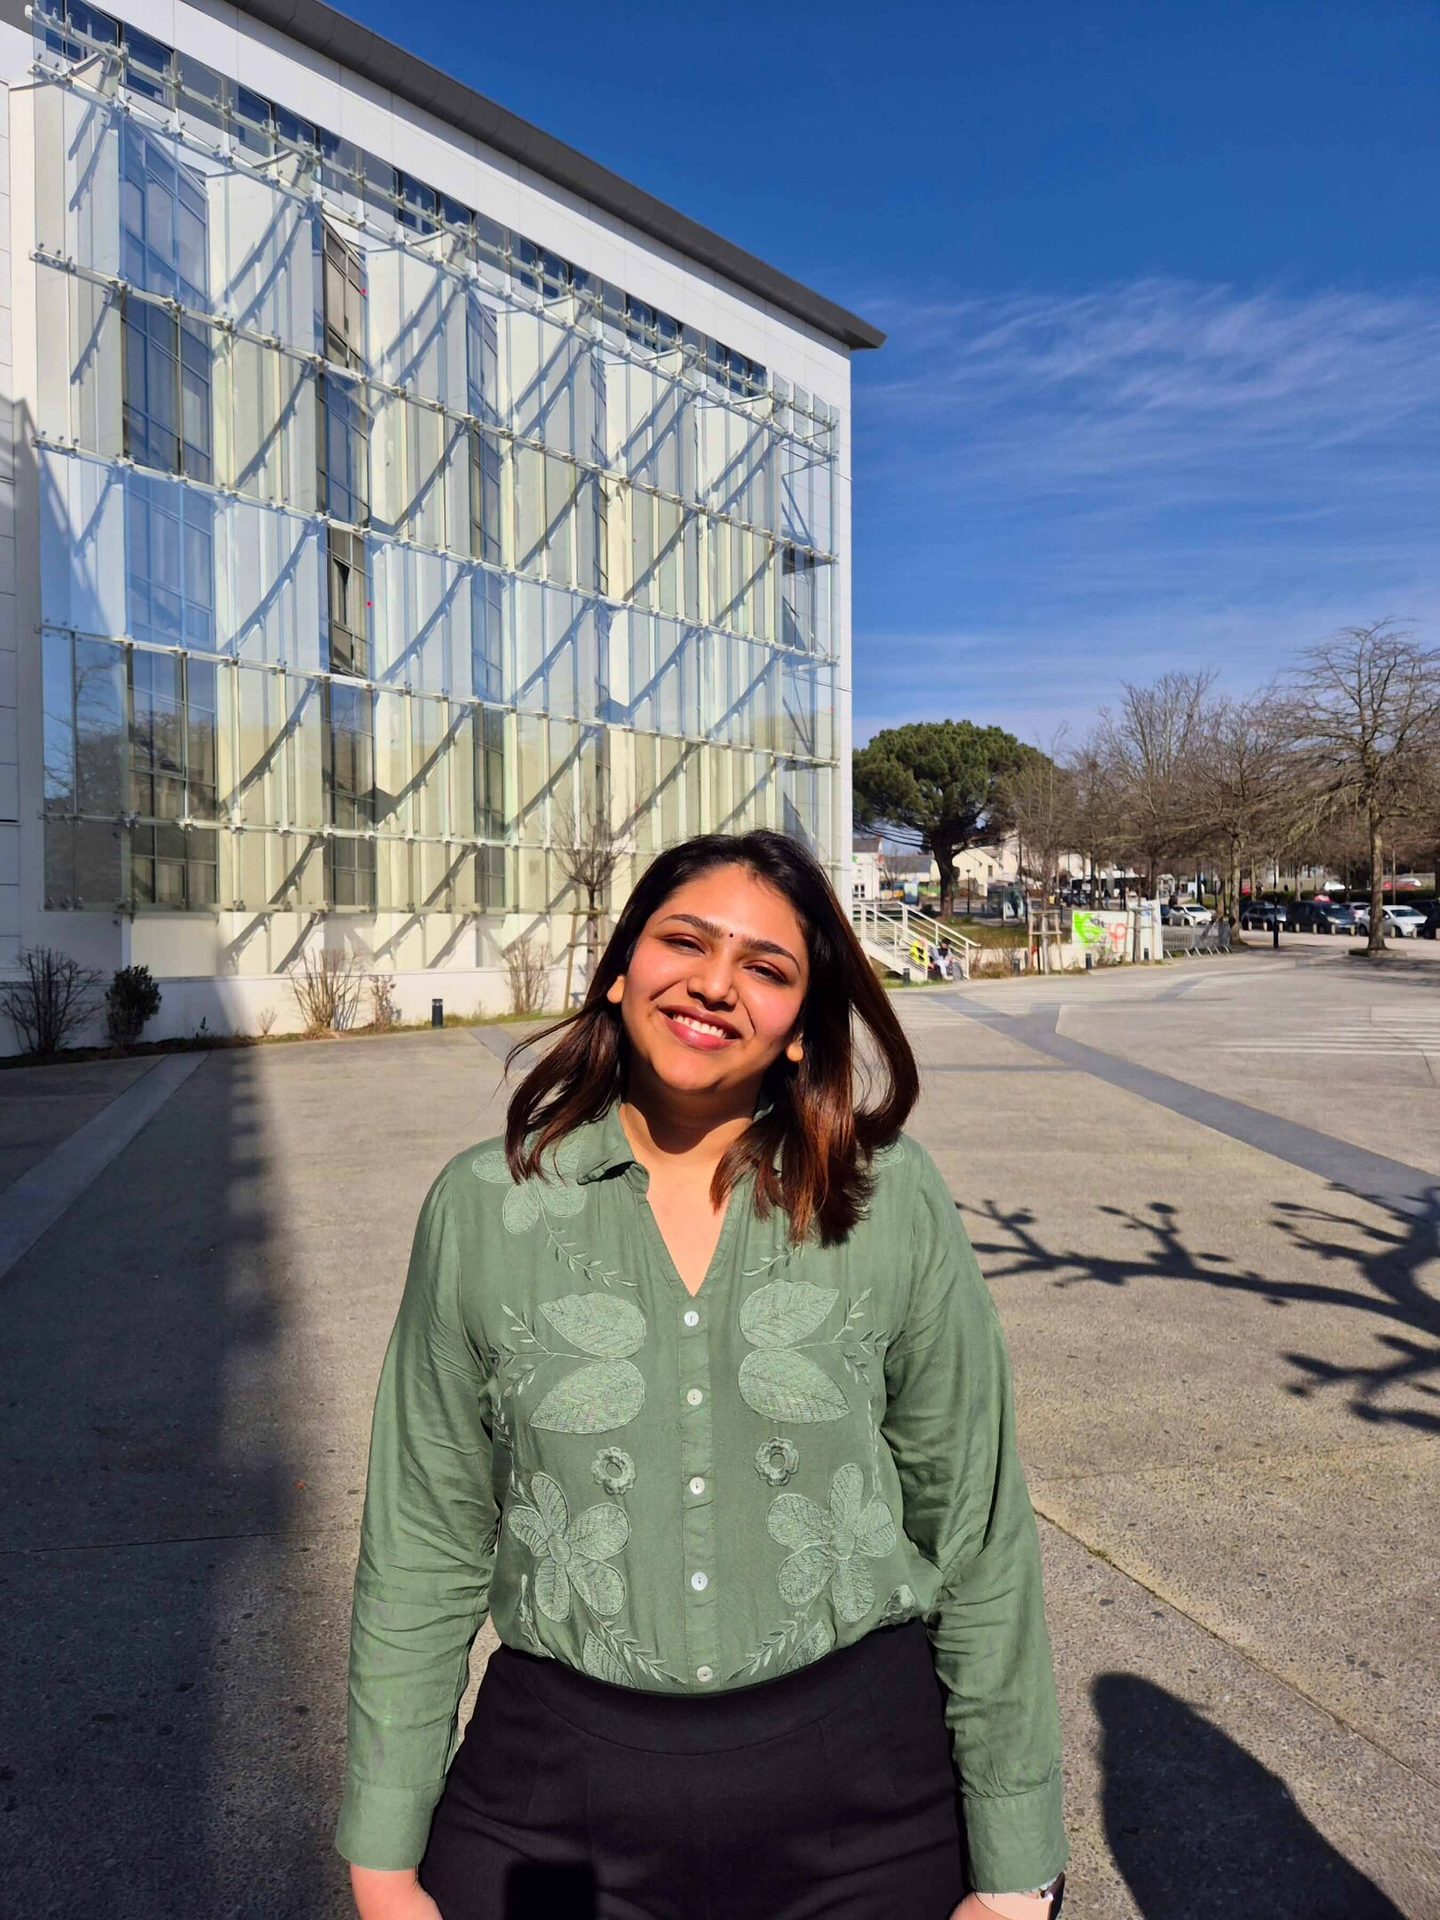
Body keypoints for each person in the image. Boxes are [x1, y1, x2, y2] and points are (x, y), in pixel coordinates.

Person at [338, 830, 1068, 1920]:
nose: (716, 984)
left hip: (868, 1804)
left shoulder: (888, 1199)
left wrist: (1015, 1872)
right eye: (685, 940)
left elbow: (975, 1529)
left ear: (796, 1030)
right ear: (623, 965)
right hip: (552, 1801)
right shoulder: (484, 1206)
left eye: (767, 969)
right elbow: (425, 1535)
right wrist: (382, 1854)